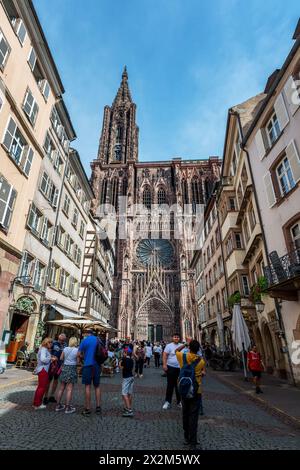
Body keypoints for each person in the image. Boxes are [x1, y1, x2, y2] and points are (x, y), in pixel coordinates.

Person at [176, 339, 206, 449]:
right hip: (196, 391)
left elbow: (176, 350)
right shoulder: (201, 361)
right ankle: (193, 441)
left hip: (184, 389)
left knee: (185, 414)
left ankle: (186, 438)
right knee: (194, 416)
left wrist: (184, 344)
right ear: (198, 349)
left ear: (189, 347)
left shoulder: (182, 357)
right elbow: (203, 372)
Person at [77, 329, 102, 416]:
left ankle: (87, 408)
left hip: (88, 365)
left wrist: (84, 357)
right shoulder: (98, 339)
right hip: (97, 366)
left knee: (87, 387)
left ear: (87, 334)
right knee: (97, 386)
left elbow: (78, 354)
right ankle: (98, 407)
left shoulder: (85, 341)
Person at [55, 337, 79, 414]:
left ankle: (58, 405)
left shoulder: (65, 349)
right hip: (72, 369)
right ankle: (67, 407)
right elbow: (78, 362)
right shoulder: (77, 350)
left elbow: (61, 358)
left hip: (64, 368)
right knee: (69, 389)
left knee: (61, 388)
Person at [33, 338, 56, 410]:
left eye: (52, 343)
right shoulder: (43, 349)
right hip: (43, 370)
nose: (51, 344)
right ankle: (37, 404)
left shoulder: (44, 349)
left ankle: (36, 403)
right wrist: (51, 359)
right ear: (47, 343)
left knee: (40, 387)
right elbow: (43, 359)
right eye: (50, 343)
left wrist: (50, 359)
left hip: (43, 369)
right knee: (42, 387)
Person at [44, 333, 67, 404]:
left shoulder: (65, 345)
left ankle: (51, 396)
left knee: (56, 380)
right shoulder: (53, 343)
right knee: (49, 380)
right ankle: (45, 396)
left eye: (63, 340)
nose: (62, 342)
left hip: (60, 365)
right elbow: (48, 351)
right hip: (52, 365)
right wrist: (52, 357)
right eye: (61, 340)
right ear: (58, 338)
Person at [162, 333, 183, 409]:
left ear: (179, 338)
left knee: (179, 386)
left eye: (177, 337)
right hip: (171, 367)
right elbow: (164, 355)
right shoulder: (169, 346)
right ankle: (167, 401)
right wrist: (164, 365)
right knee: (170, 385)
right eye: (175, 337)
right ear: (172, 338)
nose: (176, 338)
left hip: (180, 369)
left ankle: (179, 401)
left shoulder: (182, 346)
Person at [120, 348, 134, 417]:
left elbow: (121, 367)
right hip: (131, 377)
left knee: (124, 393)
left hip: (126, 378)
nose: (123, 353)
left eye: (123, 352)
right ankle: (127, 407)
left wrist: (120, 363)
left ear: (125, 353)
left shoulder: (124, 360)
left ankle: (129, 409)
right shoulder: (131, 360)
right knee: (129, 393)